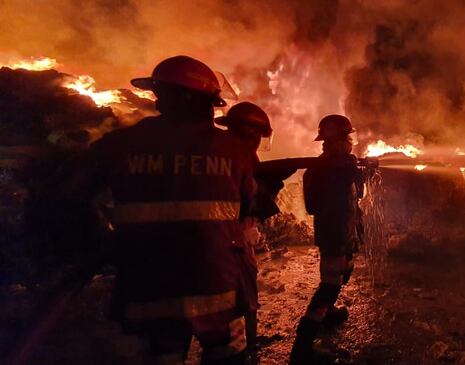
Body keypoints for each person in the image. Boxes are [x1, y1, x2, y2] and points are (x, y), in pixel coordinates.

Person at [72, 55, 257, 365]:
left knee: (163, 356)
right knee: (228, 357)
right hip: (217, 288)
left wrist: (102, 241)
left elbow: (74, 195)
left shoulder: (121, 144)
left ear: (169, 96)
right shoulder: (233, 149)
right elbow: (246, 209)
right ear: (202, 101)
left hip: (149, 287)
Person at [215, 102, 297, 353]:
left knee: (243, 294)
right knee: (239, 297)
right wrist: (271, 183)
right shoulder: (235, 154)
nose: (258, 143)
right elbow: (249, 197)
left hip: (230, 236)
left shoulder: (225, 150)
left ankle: (246, 342)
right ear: (250, 133)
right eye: (257, 137)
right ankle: (239, 348)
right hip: (231, 238)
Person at [289, 114, 364, 364]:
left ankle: (328, 313)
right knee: (330, 286)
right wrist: (350, 169)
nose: (350, 143)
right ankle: (303, 343)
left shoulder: (335, 165)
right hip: (335, 234)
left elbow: (357, 194)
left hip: (341, 232)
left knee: (343, 272)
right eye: (347, 138)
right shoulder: (333, 167)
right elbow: (321, 202)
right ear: (341, 140)